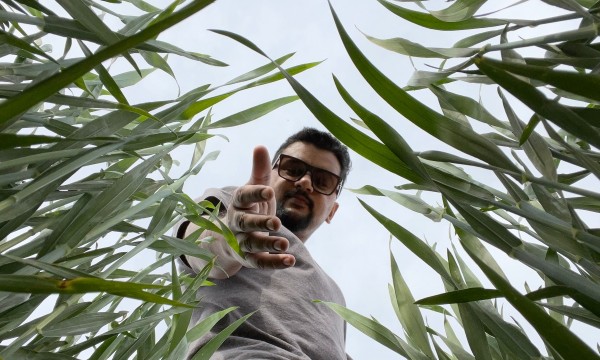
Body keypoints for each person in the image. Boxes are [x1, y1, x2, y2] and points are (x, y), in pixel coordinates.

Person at [176, 127, 353, 360]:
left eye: (323, 181)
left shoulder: (335, 295)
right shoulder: (229, 206)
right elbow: (198, 242)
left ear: (333, 211)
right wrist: (229, 240)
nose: (305, 182)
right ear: (270, 176)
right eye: (293, 169)